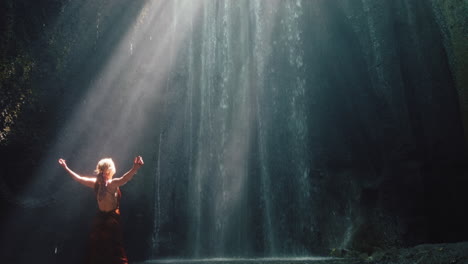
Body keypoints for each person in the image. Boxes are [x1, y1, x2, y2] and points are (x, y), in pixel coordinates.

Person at [58, 156, 144, 264]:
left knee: (107, 248)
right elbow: (79, 179)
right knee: (105, 248)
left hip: (107, 220)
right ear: (108, 170)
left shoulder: (107, 184)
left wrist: (135, 168)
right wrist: (66, 168)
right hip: (105, 220)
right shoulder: (103, 184)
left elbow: (124, 178)